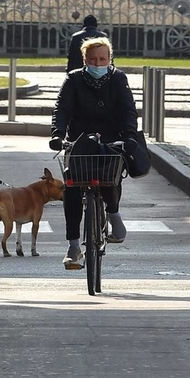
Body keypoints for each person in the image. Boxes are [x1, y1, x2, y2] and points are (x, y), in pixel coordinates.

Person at [48, 38, 137, 270]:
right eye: (93, 59)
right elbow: (61, 109)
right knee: (73, 188)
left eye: (103, 59)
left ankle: (114, 214)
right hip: (79, 142)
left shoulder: (118, 79)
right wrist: (58, 135)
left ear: (110, 59)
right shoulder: (74, 79)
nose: (98, 63)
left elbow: (129, 110)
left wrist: (129, 135)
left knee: (110, 174)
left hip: (110, 139)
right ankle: (73, 246)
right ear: (84, 59)